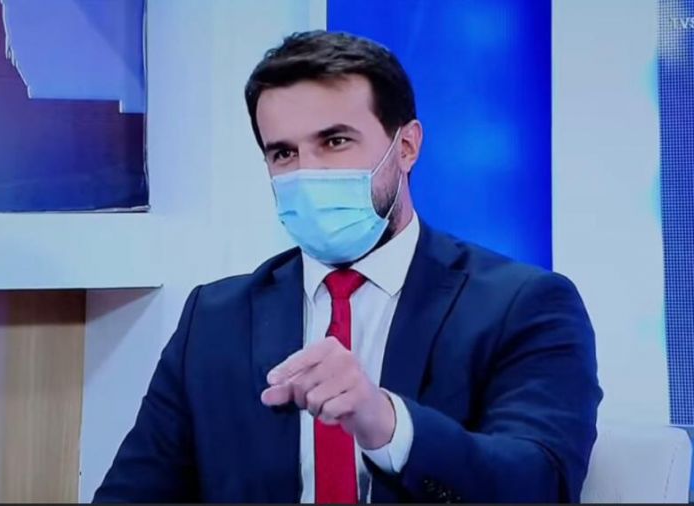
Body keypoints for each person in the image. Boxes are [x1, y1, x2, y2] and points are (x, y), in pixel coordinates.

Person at [94, 30, 602, 503]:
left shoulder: (523, 305)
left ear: (406, 147)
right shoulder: (215, 318)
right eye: (283, 153)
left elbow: (541, 483)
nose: (308, 172)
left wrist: (387, 423)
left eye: (335, 142)